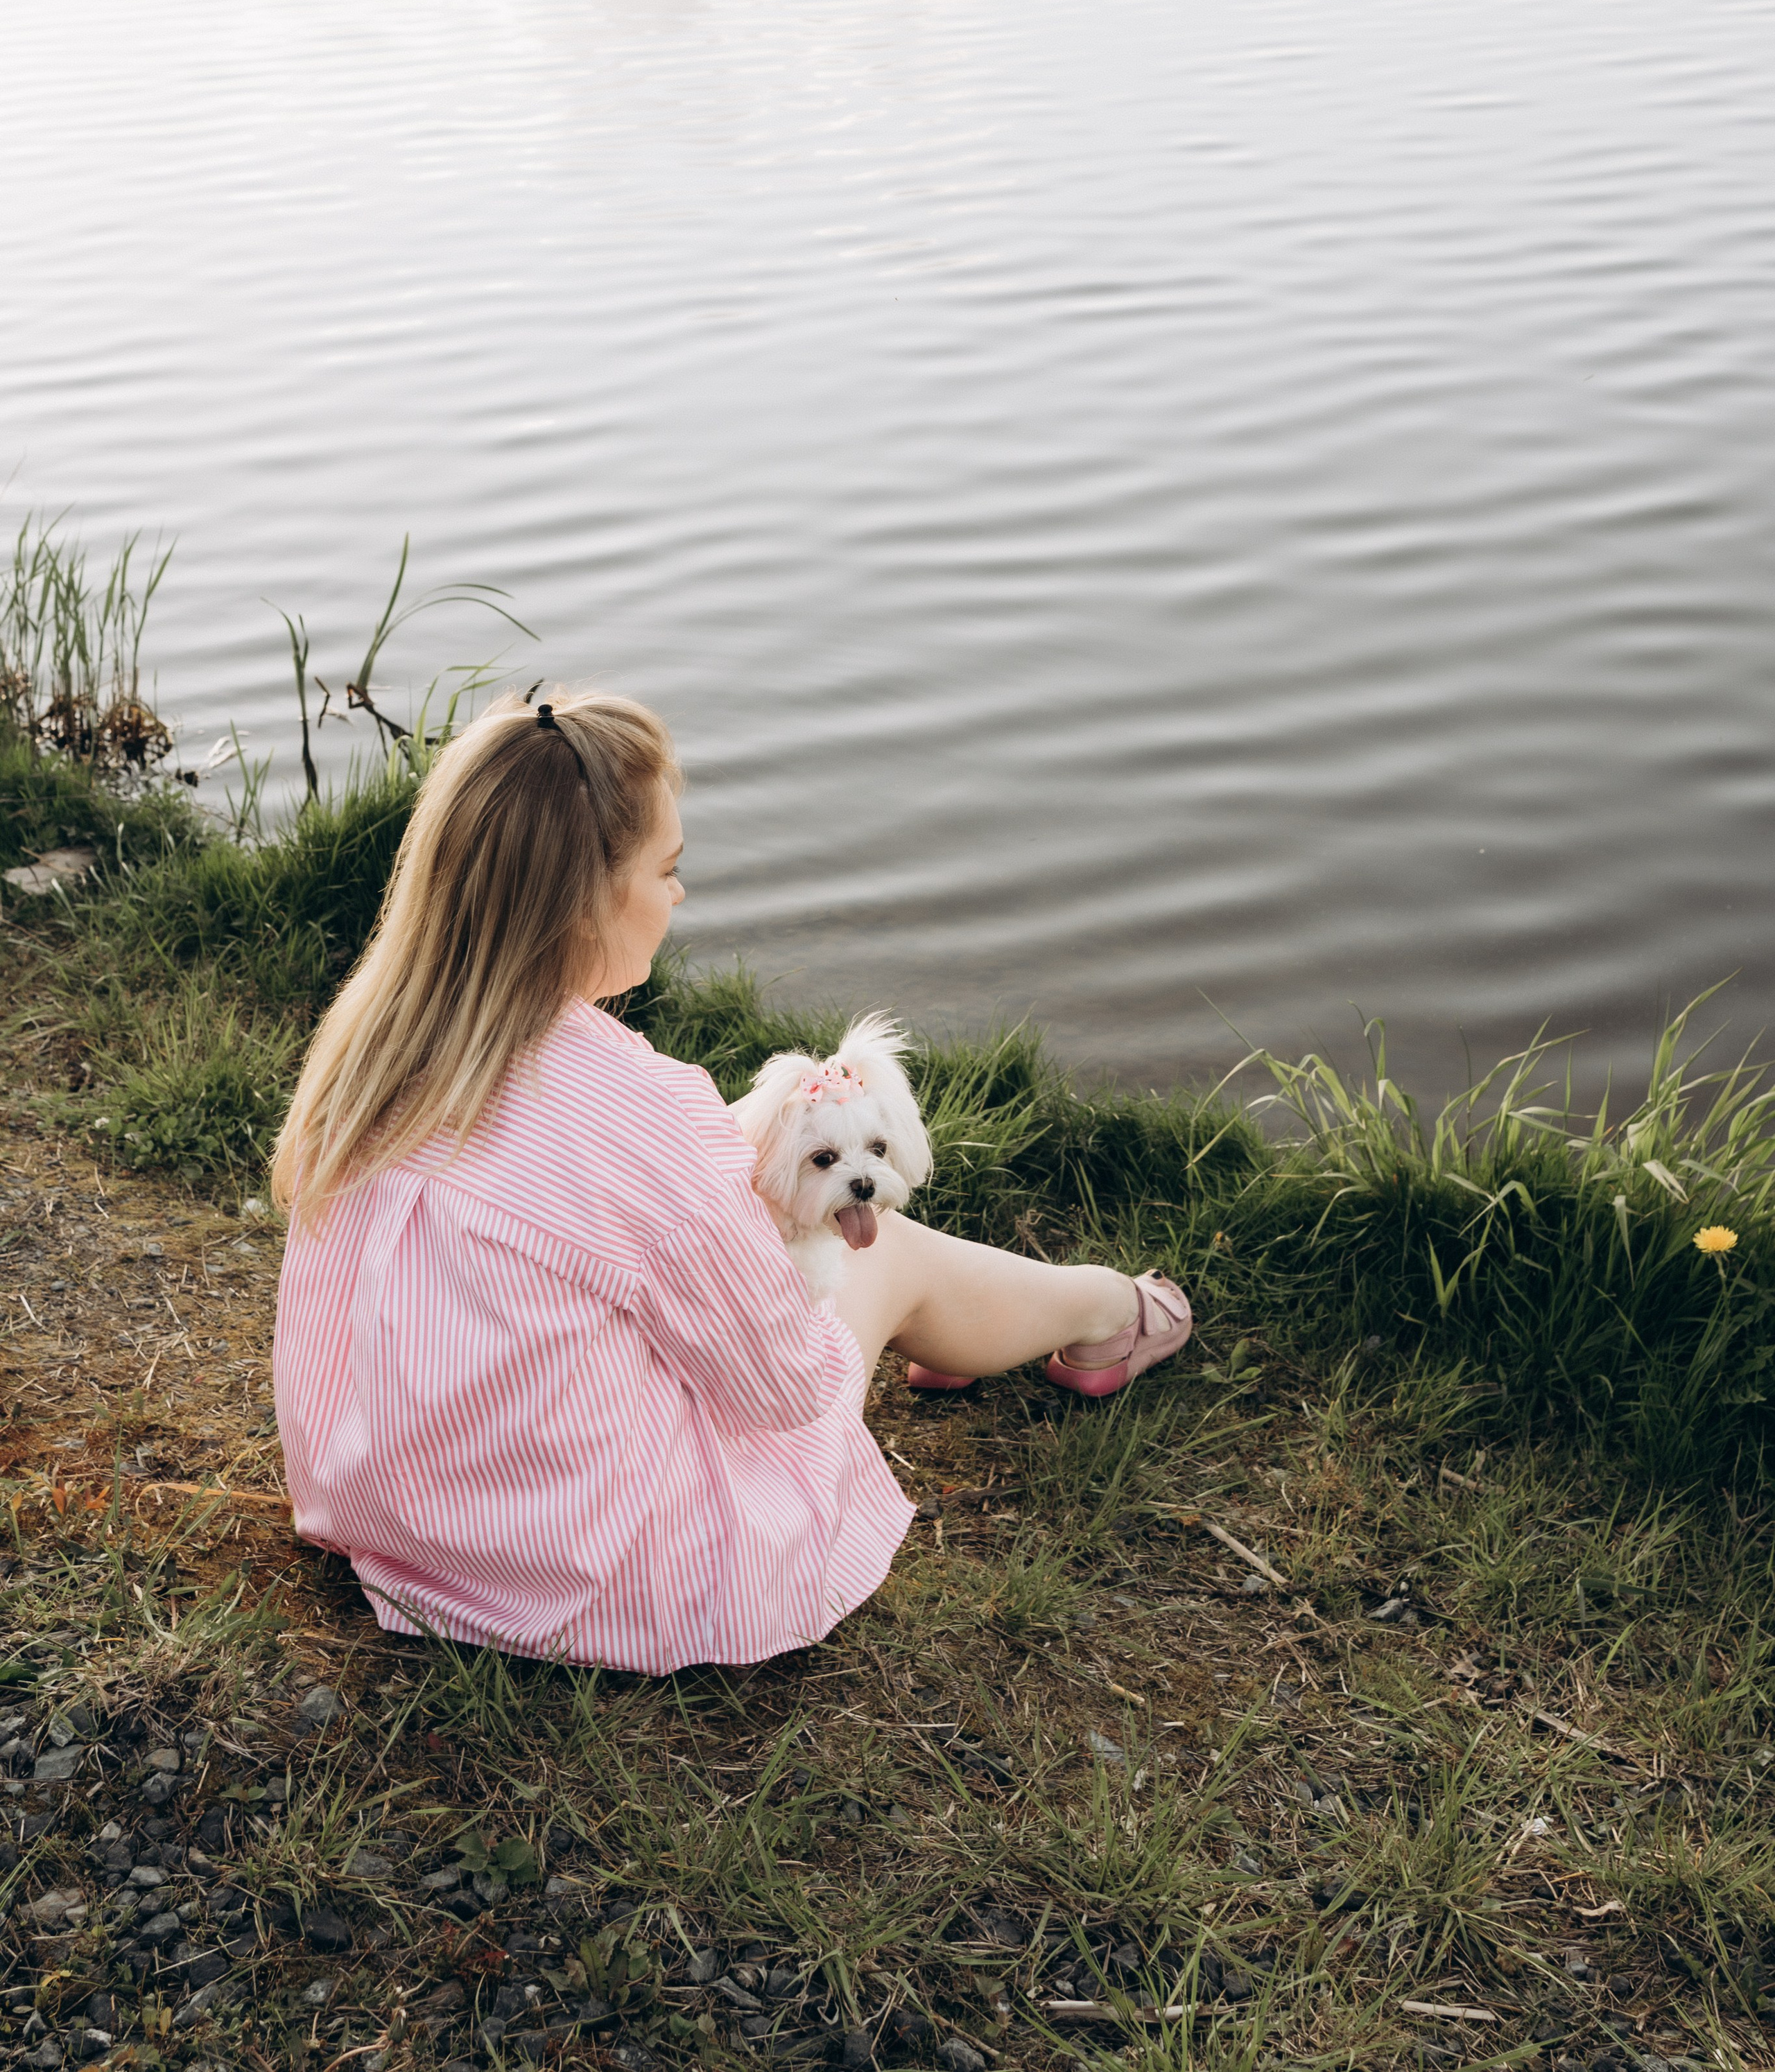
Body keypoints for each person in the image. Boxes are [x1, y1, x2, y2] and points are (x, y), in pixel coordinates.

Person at [271, 691, 1193, 1674]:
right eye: (667, 871)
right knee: (877, 1256)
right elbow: (785, 1385)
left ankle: (976, 1338)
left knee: (793, 1255)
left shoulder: (374, 1055)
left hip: (393, 1514)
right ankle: (1106, 1312)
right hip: (584, 1576)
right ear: (586, 898)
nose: (678, 898)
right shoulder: (639, 1112)